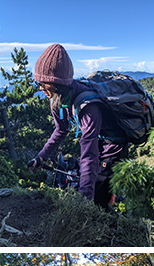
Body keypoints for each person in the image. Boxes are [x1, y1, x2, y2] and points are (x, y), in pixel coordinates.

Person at [27, 44, 127, 209]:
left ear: (57, 82)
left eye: (43, 83)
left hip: (113, 147)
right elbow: (60, 130)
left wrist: (84, 201)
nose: (40, 88)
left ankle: (100, 226)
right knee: (88, 183)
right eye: (39, 82)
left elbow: (89, 154)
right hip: (98, 145)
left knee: (97, 199)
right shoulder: (57, 100)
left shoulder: (88, 107)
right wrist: (41, 157)